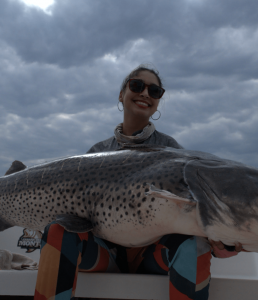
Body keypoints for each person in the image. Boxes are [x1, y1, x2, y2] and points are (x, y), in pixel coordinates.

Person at [34, 65, 242, 300]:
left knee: (193, 244)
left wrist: (221, 240)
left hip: (154, 255)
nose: (145, 93)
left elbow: (195, 204)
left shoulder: (171, 151)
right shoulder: (97, 153)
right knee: (58, 230)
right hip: (106, 254)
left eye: (154, 91)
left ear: (157, 102)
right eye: (136, 86)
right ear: (121, 94)